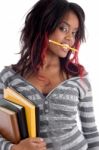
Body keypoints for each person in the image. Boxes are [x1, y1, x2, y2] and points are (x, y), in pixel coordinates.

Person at [0, 0, 99, 149]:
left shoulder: (79, 77)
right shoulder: (9, 77)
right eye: (63, 28)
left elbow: (91, 133)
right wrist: (14, 148)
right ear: (43, 27)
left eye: (74, 32)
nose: (70, 39)